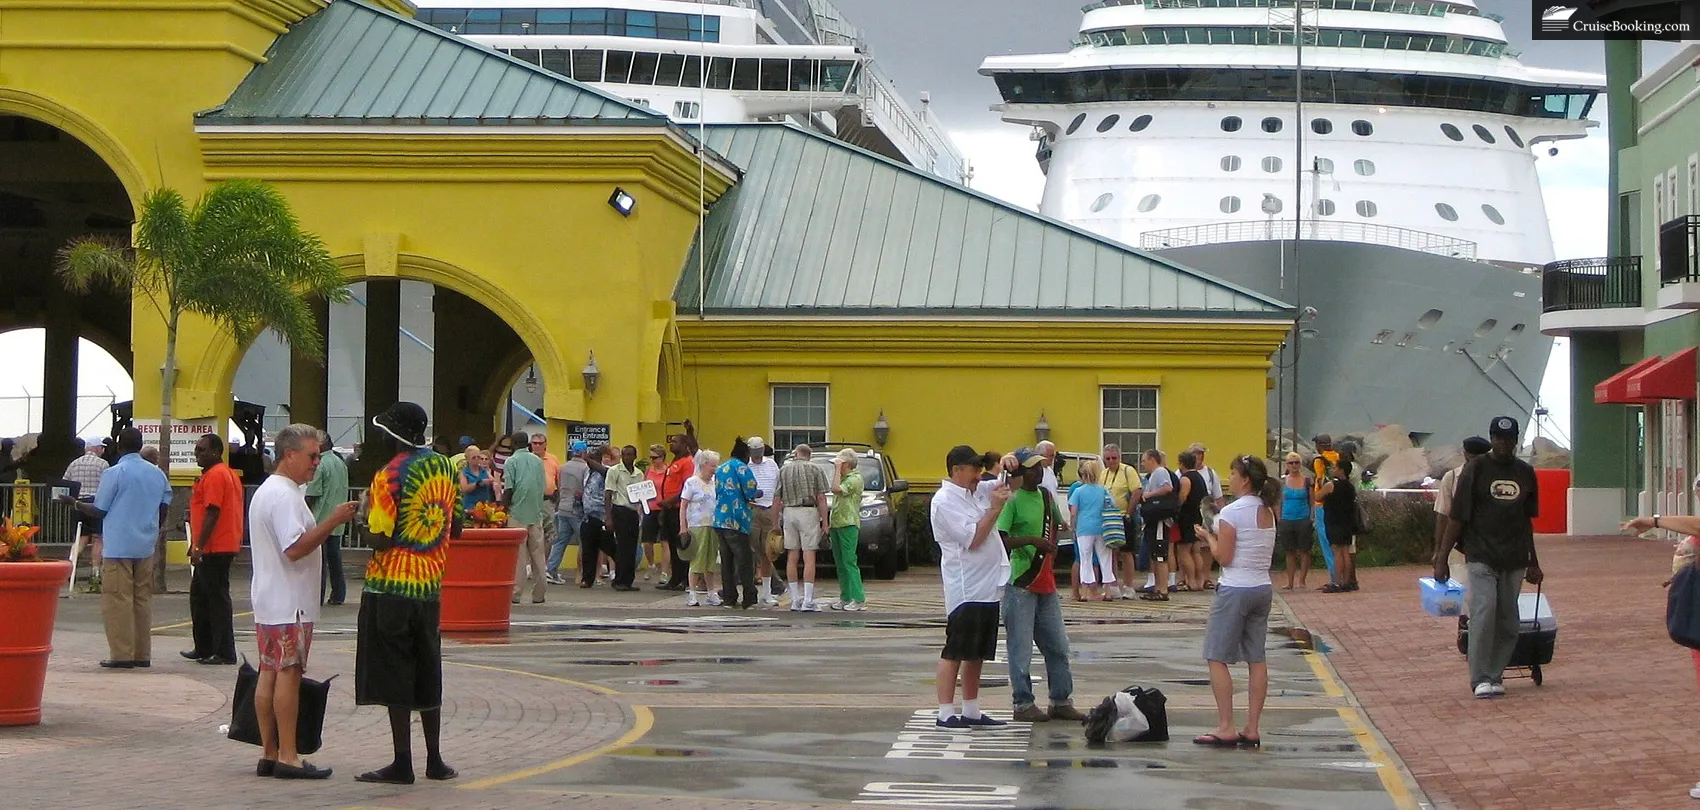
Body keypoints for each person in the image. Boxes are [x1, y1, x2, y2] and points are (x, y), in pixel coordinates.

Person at [354, 402, 461, 785]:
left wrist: (360, 521)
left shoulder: (389, 475)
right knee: (428, 668)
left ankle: (403, 762)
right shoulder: (447, 467)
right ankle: (435, 760)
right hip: (430, 586)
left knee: (394, 673)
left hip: (391, 586)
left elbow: (381, 539)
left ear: (392, 435)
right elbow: (457, 526)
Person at [248, 424, 357, 779]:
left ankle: (269, 751)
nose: (317, 462)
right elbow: (295, 547)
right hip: (289, 600)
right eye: (312, 456)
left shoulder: (270, 491)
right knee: (288, 673)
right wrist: (333, 521)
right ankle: (289, 755)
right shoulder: (285, 496)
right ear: (289, 454)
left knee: (269, 672)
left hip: (270, 597)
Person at [1435, 416, 1542, 699]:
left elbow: (1527, 521)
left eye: (1509, 439)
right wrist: (1441, 557)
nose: (1504, 444)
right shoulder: (1476, 469)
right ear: (1491, 439)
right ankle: (1479, 677)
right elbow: (1456, 517)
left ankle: (1495, 675)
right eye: (1498, 438)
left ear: (1516, 440)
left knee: (1508, 618)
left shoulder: (1526, 473)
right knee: (1484, 611)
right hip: (1481, 554)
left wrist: (1534, 562)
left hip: (1515, 556)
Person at [1191, 455, 1280, 748]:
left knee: (1216, 655)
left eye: (1233, 472)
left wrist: (1208, 537)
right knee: (1256, 657)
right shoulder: (1268, 510)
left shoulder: (1232, 512)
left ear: (1244, 479)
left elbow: (1224, 557)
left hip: (1235, 587)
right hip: (1262, 586)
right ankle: (1252, 727)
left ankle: (1226, 725)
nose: (1229, 476)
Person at [63, 428, 170, 669]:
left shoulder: (115, 473)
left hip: (119, 545)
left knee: (118, 600)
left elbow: (100, 510)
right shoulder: (158, 474)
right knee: (142, 599)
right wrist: (152, 529)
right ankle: (143, 653)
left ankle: (122, 654)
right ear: (141, 445)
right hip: (146, 544)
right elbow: (164, 506)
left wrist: (75, 503)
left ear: (119, 447)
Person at [997, 447, 1086, 723]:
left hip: (1045, 583)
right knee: (1020, 649)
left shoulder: (1046, 497)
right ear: (1020, 472)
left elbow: (1059, 525)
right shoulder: (1011, 501)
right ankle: (1023, 703)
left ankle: (1061, 700)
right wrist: (1032, 542)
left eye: (1040, 467)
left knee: (1058, 645)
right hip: (1021, 581)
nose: (1038, 472)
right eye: (1032, 468)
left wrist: (1055, 541)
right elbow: (1001, 538)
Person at [931, 445, 1013, 729]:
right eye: (974, 470)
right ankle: (944, 712)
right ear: (957, 470)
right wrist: (994, 510)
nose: (979, 475)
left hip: (987, 585)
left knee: (977, 652)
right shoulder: (945, 501)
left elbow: (1000, 481)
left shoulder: (972, 491)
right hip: (965, 587)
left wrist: (1011, 461)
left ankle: (971, 709)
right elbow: (973, 539)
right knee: (955, 650)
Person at [182, 433, 242, 665]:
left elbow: (213, 511)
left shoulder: (216, 475)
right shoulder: (221, 474)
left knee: (216, 599)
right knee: (200, 596)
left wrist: (198, 545)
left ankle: (224, 651)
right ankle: (204, 646)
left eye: (202, 450)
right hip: (214, 545)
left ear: (216, 451)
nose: (198, 454)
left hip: (215, 546)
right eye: (197, 450)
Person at [774, 444, 831, 611]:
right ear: (809, 456)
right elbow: (821, 497)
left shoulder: (783, 470)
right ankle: (808, 600)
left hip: (789, 512)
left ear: (795, 454)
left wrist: (775, 523)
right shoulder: (815, 469)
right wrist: (825, 522)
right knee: (809, 555)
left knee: (792, 554)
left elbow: (776, 499)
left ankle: (794, 599)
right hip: (808, 511)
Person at [713, 439, 762, 608]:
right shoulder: (741, 467)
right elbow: (751, 489)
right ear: (746, 455)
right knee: (744, 560)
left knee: (726, 561)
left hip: (720, 518)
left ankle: (729, 597)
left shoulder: (721, 468)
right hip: (736, 519)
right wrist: (756, 493)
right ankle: (749, 597)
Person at [1433, 437, 1492, 578]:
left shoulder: (1493, 479)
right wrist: (1439, 552)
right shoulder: (1452, 478)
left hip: (1488, 548)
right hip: (1458, 548)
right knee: (1462, 590)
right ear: (1465, 454)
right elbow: (1443, 516)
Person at [503, 430, 548, 604]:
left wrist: (503, 509)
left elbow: (509, 488)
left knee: (519, 557)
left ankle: (516, 593)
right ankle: (540, 592)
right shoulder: (537, 461)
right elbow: (542, 486)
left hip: (517, 513)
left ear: (513, 444)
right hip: (536, 512)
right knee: (538, 554)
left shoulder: (511, 461)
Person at [305, 434, 349, 606]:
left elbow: (313, 493)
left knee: (319, 562)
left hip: (322, 519)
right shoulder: (340, 463)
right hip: (338, 519)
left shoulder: (321, 464)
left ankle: (318, 596)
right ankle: (339, 593)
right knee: (335, 559)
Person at [655, 426, 697, 592]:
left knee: (681, 545)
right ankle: (675, 578)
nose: (671, 444)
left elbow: (687, 487)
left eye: (675, 442)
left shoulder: (687, 462)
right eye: (671, 441)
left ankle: (684, 579)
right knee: (671, 544)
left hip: (679, 509)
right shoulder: (674, 462)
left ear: (685, 444)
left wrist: (670, 501)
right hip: (668, 509)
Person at [680, 449, 722, 607]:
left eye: (716, 466)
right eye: (712, 466)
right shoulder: (692, 482)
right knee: (697, 560)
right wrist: (683, 526)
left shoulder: (715, 483)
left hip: (713, 524)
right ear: (704, 465)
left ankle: (711, 592)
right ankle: (692, 592)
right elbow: (683, 506)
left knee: (711, 561)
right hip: (697, 525)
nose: (714, 469)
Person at [62, 436, 110, 574]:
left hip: (77, 503)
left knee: (80, 538)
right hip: (96, 504)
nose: (103, 450)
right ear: (96, 448)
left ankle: (70, 569)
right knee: (98, 538)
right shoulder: (103, 464)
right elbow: (108, 485)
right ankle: (95, 573)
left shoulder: (74, 464)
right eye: (102, 448)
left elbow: (65, 482)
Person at [1068, 459, 1113, 602]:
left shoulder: (1078, 491)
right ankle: (1108, 591)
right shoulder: (1104, 490)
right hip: (1102, 528)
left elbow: (1073, 512)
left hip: (1084, 528)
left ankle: (1085, 592)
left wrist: (1073, 527)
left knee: (1085, 558)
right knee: (1105, 558)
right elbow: (1111, 505)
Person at [827, 448, 867, 611]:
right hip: (837, 523)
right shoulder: (845, 478)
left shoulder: (855, 479)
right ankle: (846, 596)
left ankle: (859, 599)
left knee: (850, 561)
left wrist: (837, 470)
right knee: (840, 563)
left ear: (847, 464)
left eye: (840, 464)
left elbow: (836, 489)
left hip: (849, 524)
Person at [1100, 444, 1140, 601]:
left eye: (1114, 458)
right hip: (1109, 518)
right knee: (1111, 552)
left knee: (1127, 552)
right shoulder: (1103, 473)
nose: (1111, 461)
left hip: (1123, 515)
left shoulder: (1127, 471)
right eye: (1108, 458)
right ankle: (1113, 585)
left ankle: (1129, 586)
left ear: (1119, 457)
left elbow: (1136, 491)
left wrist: (1129, 513)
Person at [746, 437, 782, 606]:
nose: (757, 456)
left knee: (768, 551)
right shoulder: (745, 465)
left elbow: (777, 486)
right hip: (752, 509)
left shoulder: (771, 464)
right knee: (751, 551)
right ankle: (749, 590)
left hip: (768, 509)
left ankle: (767, 593)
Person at [1138, 449, 1177, 602]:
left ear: (1152, 460)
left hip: (1160, 519)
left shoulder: (1160, 471)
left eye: (1144, 460)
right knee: (1154, 554)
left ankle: (1163, 589)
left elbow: (1168, 488)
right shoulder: (1153, 475)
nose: (1143, 464)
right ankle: (1157, 587)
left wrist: (1149, 495)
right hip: (1152, 520)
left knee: (1160, 555)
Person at [604, 445, 645, 592]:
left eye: (629, 455)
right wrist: (608, 517)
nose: (626, 457)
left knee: (632, 547)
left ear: (635, 456)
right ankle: (619, 580)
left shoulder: (639, 474)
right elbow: (608, 494)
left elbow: (642, 494)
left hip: (633, 512)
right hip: (619, 510)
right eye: (624, 455)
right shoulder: (614, 471)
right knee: (622, 546)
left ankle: (628, 580)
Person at [547, 441, 588, 585]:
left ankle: (551, 570)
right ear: (584, 452)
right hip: (577, 509)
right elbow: (585, 488)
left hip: (563, 507)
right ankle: (583, 573)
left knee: (560, 541)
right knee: (584, 542)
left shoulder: (563, 467)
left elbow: (559, 485)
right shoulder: (585, 468)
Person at [1276, 452, 1315, 591]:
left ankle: (1302, 581)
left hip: (1303, 518)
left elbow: (1312, 500)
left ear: (1300, 464)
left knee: (1304, 551)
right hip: (1287, 519)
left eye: (1296, 462)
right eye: (1291, 463)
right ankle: (1290, 582)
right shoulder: (1282, 482)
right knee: (1289, 551)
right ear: (1286, 465)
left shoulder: (1306, 480)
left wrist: (1312, 517)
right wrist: (1279, 519)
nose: (1294, 465)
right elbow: (1278, 502)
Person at [1188, 442, 1225, 589]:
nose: (1199, 456)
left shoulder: (1210, 473)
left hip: (1208, 513)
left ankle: (1206, 577)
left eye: (1201, 453)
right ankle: (1189, 578)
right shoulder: (1181, 472)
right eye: (1196, 453)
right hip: (1190, 511)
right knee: (1189, 546)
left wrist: (1222, 516)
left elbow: (1218, 496)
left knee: (1206, 546)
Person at [1318, 459, 1358, 594]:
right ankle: (1347, 581)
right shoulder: (1350, 487)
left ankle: (1336, 582)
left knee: (1337, 552)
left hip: (1334, 521)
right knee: (1346, 551)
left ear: (1341, 470)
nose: (1333, 469)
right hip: (1347, 522)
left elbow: (1317, 497)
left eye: (1335, 467)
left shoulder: (1331, 485)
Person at [1174, 451, 1210, 592]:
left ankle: (1191, 581)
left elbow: (1183, 497)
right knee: (1196, 550)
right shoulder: (1199, 477)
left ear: (1182, 463)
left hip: (1187, 516)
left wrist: (1175, 506)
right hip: (1197, 515)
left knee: (1184, 551)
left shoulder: (1185, 478)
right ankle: (1200, 580)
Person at [579, 447, 614, 586]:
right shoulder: (588, 472)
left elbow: (603, 471)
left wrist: (587, 459)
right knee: (588, 549)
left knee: (610, 547)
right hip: (588, 515)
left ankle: (621, 574)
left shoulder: (606, 471)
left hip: (602, 516)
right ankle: (587, 579)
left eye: (592, 458)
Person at [639, 444, 669, 582]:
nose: (653, 460)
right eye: (651, 458)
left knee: (665, 541)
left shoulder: (668, 471)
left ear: (662, 457)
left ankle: (664, 571)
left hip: (664, 508)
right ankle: (651, 564)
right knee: (647, 542)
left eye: (655, 458)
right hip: (650, 508)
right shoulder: (648, 471)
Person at [532, 433, 561, 573]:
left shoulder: (552, 459)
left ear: (545, 444)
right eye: (534, 443)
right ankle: (529, 565)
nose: (536, 445)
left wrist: (558, 497)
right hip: (531, 501)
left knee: (548, 533)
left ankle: (543, 565)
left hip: (547, 500)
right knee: (531, 533)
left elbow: (558, 479)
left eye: (539, 443)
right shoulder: (528, 459)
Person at [458, 447, 495, 515]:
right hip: (470, 507)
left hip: (485, 506)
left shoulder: (484, 470)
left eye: (478, 457)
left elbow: (492, 480)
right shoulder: (464, 473)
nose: (477, 459)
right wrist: (478, 483)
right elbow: (464, 489)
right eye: (474, 457)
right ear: (467, 459)